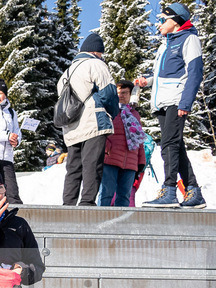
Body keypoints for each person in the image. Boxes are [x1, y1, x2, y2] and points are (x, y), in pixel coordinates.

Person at [135, 3, 207, 208]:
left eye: (163, 20)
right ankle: (194, 191)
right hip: (162, 102)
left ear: (176, 21)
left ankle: (169, 190)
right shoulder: (164, 44)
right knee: (176, 147)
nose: (159, 23)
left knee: (168, 145)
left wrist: (186, 102)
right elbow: (160, 75)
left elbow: (195, 72)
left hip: (176, 100)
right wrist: (146, 81)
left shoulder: (189, 39)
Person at [56, 33, 120, 206]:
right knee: (92, 164)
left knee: (73, 168)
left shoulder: (66, 73)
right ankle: (87, 203)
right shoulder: (96, 64)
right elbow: (109, 94)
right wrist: (113, 114)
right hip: (93, 122)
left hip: (71, 127)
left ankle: (68, 204)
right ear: (97, 52)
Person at [99, 80, 147, 207]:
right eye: (118, 92)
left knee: (124, 197)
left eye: (124, 93)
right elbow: (102, 132)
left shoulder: (135, 115)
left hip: (130, 161)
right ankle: (99, 224)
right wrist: (106, 148)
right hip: (111, 158)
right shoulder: (109, 110)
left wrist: (141, 161)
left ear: (131, 94)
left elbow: (139, 140)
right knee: (106, 194)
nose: (121, 95)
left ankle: (120, 225)